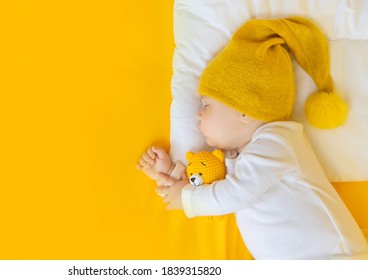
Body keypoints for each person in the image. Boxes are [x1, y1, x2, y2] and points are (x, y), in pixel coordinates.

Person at [137, 16, 368, 259]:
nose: (197, 113)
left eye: (206, 106)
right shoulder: (239, 155)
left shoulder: (278, 142)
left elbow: (235, 193)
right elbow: (201, 181)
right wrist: (170, 173)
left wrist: (186, 199)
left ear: (244, 111)